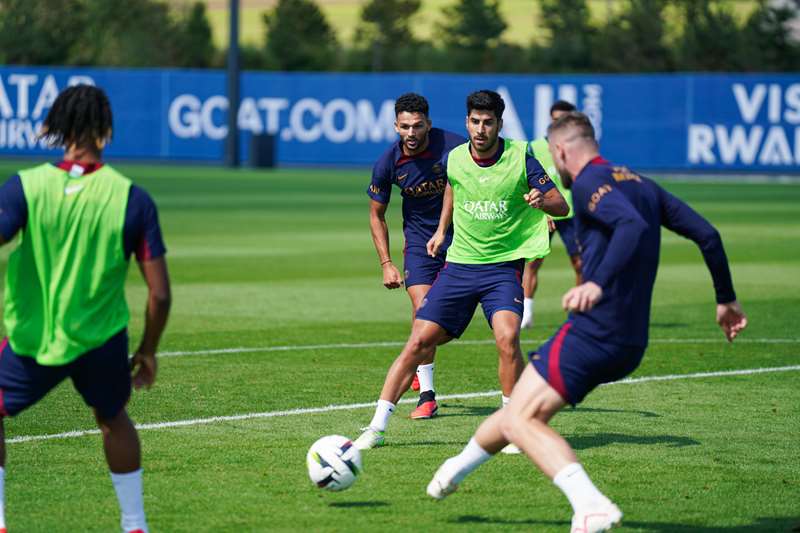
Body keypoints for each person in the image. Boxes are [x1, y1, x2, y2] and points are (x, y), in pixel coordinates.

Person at [426, 112, 747, 533]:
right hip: (631, 341)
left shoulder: (591, 182)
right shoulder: (642, 184)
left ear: (560, 150)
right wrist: (725, 299)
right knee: (517, 410)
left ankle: (589, 504)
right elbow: (708, 235)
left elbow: (628, 225)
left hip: (596, 329)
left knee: (522, 420)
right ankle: (453, 471)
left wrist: (595, 283)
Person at [355, 90, 568, 450]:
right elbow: (455, 185)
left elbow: (560, 205)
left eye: (488, 122)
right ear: (467, 122)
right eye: (475, 121)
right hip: (459, 265)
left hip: (501, 268)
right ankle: (376, 426)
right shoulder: (453, 158)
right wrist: (440, 232)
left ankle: (513, 427)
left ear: (499, 125)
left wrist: (542, 201)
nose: (480, 129)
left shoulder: (520, 157)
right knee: (418, 340)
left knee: (507, 337)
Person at [0, 85, 171, 533]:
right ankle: (134, 525)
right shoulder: (131, 197)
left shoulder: (26, 186)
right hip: (101, 338)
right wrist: (148, 351)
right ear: (106, 129)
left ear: (56, 127)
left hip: (35, 338)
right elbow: (160, 294)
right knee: (113, 418)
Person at [368, 93, 466, 419]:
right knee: (423, 310)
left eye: (417, 126)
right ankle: (427, 394)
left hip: (463, 241)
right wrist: (386, 263)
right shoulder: (388, 163)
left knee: (443, 326)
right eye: (405, 127)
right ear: (396, 126)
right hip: (420, 245)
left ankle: (415, 357)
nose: (411, 133)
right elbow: (376, 215)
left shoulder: (454, 147)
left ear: (429, 124)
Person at [521, 100, 582, 329]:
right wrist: (542, 210)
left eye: (565, 119)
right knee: (533, 263)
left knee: (580, 264)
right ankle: (526, 314)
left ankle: (578, 314)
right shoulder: (535, 147)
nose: (560, 123)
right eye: (556, 119)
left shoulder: (578, 148)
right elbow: (526, 182)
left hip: (573, 214)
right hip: (544, 214)